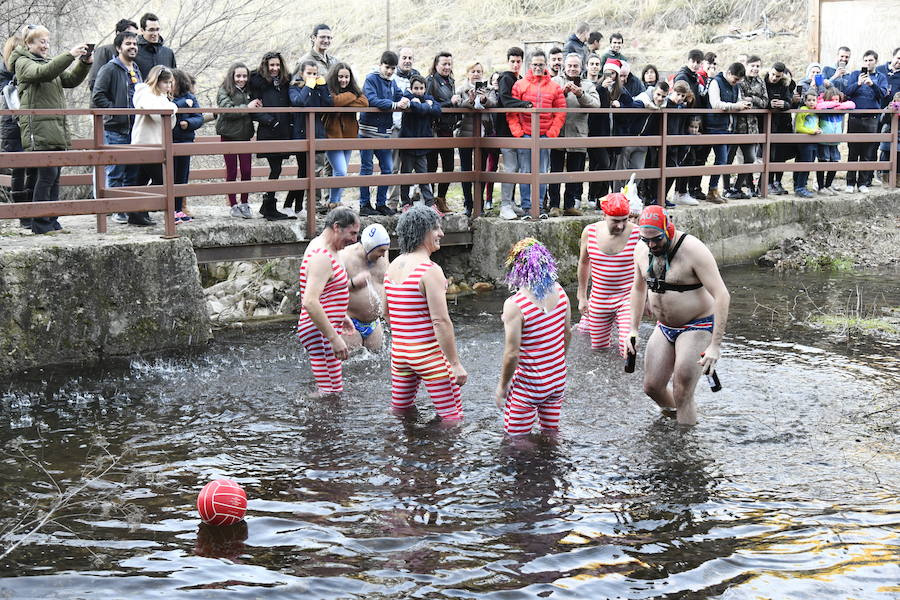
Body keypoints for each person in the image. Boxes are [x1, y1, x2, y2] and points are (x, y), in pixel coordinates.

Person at [627, 205, 731, 426]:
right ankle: (681, 414)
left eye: (657, 239)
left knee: (682, 388)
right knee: (652, 386)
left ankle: (685, 447)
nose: (652, 245)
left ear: (669, 230)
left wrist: (715, 346)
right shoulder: (641, 249)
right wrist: (632, 330)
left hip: (697, 324)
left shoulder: (693, 250)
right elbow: (637, 289)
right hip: (664, 326)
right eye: (646, 240)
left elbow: (722, 295)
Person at [385, 205, 467, 420]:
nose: (441, 233)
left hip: (400, 354)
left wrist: (405, 338)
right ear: (423, 232)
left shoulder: (392, 266)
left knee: (401, 411)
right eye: (436, 228)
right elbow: (441, 321)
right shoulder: (430, 270)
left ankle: (406, 451)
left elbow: (386, 312)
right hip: (428, 356)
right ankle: (441, 454)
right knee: (452, 417)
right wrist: (455, 364)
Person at [10, 25, 91, 234]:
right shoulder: (22, 62)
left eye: (47, 42)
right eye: (41, 42)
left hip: (54, 128)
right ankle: (40, 223)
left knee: (54, 177)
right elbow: (43, 73)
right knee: (47, 175)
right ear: (29, 44)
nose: (46, 46)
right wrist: (69, 55)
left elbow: (70, 80)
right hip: (38, 130)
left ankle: (52, 221)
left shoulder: (48, 62)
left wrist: (83, 63)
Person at [497, 238, 571, 437]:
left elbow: (511, 354)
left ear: (516, 268)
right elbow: (567, 334)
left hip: (528, 386)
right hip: (557, 379)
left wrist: (502, 387)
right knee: (550, 433)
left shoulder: (515, 305)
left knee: (515, 441)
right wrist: (554, 363)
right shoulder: (561, 292)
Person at [297, 207, 360, 397]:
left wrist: (343, 316)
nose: (355, 240)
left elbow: (327, 291)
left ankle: (322, 423)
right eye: (352, 233)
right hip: (319, 332)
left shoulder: (326, 247)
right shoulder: (322, 255)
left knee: (333, 391)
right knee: (329, 393)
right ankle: (314, 423)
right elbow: (310, 301)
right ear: (337, 227)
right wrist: (334, 338)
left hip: (323, 329)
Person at [577, 193, 640, 356]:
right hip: (599, 298)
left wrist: (647, 299)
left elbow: (648, 269)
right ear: (604, 215)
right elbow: (584, 262)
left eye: (625, 220)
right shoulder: (589, 232)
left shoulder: (638, 234)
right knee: (599, 349)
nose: (620, 226)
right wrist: (582, 296)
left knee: (627, 347)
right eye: (615, 221)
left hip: (627, 298)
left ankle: (628, 380)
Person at [92, 30, 142, 225]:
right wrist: (115, 111)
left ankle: (128, 209)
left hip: (135, 128)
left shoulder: (135, 68)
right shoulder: (110, 68)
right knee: (116, 170)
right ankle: (115, 210)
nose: (133, 47)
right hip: (116, 129)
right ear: (119, 47)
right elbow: (98, 96)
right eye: (128, 43)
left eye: (135, 44)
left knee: (132, 171)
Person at [508, 50, 566, 217]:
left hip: (545, 135)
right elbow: (512, 111)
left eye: (541, 64)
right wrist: (518, 133)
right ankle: (526, 206)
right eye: (535, 65)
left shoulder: (554, 87)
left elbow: (560, 111)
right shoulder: (520, 85)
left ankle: (539, 206)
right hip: (525, 133)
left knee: (542, 171)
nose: (538, 67)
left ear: (545, 64)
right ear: (530, 65)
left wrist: (552, 133)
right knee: (526, 171)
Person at [549, 53, 600, 217]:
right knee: (555, 171)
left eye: (575, 66)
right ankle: (554, 205)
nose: (572, 68)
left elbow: (596, 105)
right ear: (564, 66)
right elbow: (548, 101)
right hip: (558, 133)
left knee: (574, 172)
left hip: (578, 133)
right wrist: (562, 94)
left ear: (581, 67)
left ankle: (570, 205)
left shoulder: (588, 84)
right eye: (569, 65)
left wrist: (580, 94)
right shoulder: (555, 81)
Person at [359, 50, 406, 216]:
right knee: (366, 168)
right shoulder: (371, 79)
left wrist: (409, 99)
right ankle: (364, 204)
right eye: (387, 67)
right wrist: (395, 104)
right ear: (381, 65)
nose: (390, 71)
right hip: (368, 131)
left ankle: (381, 203)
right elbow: (371, 100)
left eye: (393, 68)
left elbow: (401, 96)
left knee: (387, 168)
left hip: (384, 132)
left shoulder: (392, 83)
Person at [297, 24, 339, 208]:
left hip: (332, 115)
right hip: (314, 117)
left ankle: (333, 201)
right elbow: (298, 87)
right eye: (322, 37)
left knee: (333, 161)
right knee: (316, 162)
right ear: (313, 37)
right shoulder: (304, 61)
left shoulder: (334, 61)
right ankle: (314, 202)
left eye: (329, 38)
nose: (326, 41)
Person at [131, 66, 180, 223]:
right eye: (165, 82)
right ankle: (140, 210)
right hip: (145, 143)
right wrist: (173, 107)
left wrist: (170, 108)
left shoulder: (161, 97)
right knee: (161, 179)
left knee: (141, 180)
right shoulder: (145, 94)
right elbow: (158, 115)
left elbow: (168, 123)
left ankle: (137, 213)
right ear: (156, 81)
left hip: (157, 143)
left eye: (170, 83)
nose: (168, 86)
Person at [286, 60, 333, 217]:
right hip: (301, 134)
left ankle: (297, 206)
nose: (312, 76)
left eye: (315, 74)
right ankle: (292, 205)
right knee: (303, 172)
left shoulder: (317, 88)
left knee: (311, 172)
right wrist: (309, 85)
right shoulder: (294, 87)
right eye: (309, 74)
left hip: (317, 133)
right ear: (301, 74)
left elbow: (328, 103)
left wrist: (323, 86)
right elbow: (299, 102)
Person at [249, 51, 291, 220]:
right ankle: (269, 206)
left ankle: (267, 205)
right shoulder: (259, 83)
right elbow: (255, 110)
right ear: (266, 66)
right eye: (271, 65)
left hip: (283, 131)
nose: (275, 68)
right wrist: (271, 121)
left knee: (277, 168)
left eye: (277, 65)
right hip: (269, 131)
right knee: (276, 168)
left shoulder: (284, 82)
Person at [216, 62, 260, 218]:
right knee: (232, 170)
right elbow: (226, 110)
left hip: (245, 135)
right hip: (228, 135)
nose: (241, 79)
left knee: (247, 170)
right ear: (232, 76)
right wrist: (246, 108)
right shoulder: (224, 90)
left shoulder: (250, 90)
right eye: (238, 76)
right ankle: (233, 204)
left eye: (244, 76)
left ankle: (245, 203)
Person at [703, 62, 750, 204]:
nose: (736, 83)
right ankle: (712, 190)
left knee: (723, 160)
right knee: (721, 160)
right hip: (715, 126)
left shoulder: (734, 86)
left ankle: (714, 190)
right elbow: (715, 103)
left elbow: (737, 100)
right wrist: (736, 106)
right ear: (729, 73)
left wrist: (744, 103)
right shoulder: (716, 83)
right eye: (735, 79)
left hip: (728, 126)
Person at [1, 28, 34, 229]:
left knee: (32, 167)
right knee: (18, 169)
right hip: (12, 125)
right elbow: (7, 95)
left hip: (28, 123)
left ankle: (30, 211)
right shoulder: (4, 72)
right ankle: (22, 214)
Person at [339, 223, 390, 353]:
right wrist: (353, 283)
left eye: (385, 250)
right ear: (369, 247)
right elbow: (328, 291)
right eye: (381, 251)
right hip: (350, 322)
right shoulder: (344, 257)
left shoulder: (384, 255)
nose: (383, 255)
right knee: (350, 366)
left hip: (374, 324)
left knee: (376, 364)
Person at [323, 62, 367, 209]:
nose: (344, 80)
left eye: (347, 77)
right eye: (340, 76)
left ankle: (335, 202)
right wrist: (351, 95)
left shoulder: (354, 89)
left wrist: (345, 100)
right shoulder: (328, 89)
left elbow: (364, 103)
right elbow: (334, 101)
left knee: (341, 171)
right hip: (332, 135)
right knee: (341, 171)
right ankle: (333, 202)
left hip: (349, 136)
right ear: (335, 77)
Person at [455, 62, 497, 216]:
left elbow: (494, 103)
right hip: (465, 133)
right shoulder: (461, 89)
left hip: (483, 134)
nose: (476, 74)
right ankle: (468, 203)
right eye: (473, 71)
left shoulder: (488, 89)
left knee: (481, 170)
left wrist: (484, 99)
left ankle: (479, 204)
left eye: (479, 71)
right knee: (466, 170)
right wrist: (471, 101)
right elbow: (459, 105)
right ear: (468, 73)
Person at [723, 55, 768, 199]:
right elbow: (740, 100)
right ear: (747, 66)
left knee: (750, 158)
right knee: (728, 158)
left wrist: (752, 99)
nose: (755, 69)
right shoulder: (739, 81)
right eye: (752, 66)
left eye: (757, 66)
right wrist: (749, 101)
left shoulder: (760, 82)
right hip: (736, 126)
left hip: (752, 126)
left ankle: (737, 188)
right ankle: (726, 188)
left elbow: (764, 102)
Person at [496, 46, 532, 220]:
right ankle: (504, 205)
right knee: (510, 167)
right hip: (505, 129)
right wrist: (524, 104)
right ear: (508, 61)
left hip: (518, 128)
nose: (516, 64)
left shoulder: (521, 79)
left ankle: (510, 202)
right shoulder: (506, 78)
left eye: (518, 61)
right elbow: (504, 99)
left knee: (516, 167)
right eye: (513, 61)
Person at [845, 50, 888, 193]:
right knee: (853, 152)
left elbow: (882, 95)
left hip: (872, 120)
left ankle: (863, 183)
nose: (868, 63)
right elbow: (847, 92)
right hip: (855, 118)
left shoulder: (880, 77)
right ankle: (850, 183)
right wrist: (858, 83)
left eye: (870, 60)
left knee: (867, 152)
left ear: (876, 61)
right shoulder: (854, 74)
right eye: (865, 60)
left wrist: (872, 85)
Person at [398, 74, 441, 208]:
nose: (419, 90)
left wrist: (423, 105)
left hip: (422, 146)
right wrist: (424, 106)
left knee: (424, 176)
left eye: (421, 88)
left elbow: (438, 110)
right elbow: (421, 110)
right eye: (416, 88)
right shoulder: (407, 98)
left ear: (425, 89)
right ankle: (405, 202)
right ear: (411, 88)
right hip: (408, 145)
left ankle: (430, 203)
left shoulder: (428, 98)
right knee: (405, 176)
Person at [674, 49, 710, 202]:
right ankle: (680, 192)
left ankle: (681, 192)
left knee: (689, 157)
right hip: (683, 122)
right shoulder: (683, 76)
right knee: (686, 157)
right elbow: (685, 101)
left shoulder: (695, 78)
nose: (695, 65)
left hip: (691, 121)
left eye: (698, 62)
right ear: (688, 61)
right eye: (693, 61)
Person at [426, 51, 459, 214]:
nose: (447, 67)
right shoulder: (430, 81)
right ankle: (430, 201)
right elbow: (430, 104)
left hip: (448, 129)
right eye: (444, 64)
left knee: (449, 167)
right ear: (436, 65)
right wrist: (450, 102)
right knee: (431, 166)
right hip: (434, 129)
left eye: (449, 64)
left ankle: (441, 199)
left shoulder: (451, 81)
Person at [170, 69, 203, 223]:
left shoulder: (191, 98)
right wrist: (183, 104)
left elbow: (199, 117)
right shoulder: (165, 98)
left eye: (172, 81)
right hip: (169, 141)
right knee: (170, 177)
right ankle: (170, 209)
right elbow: (168, 109)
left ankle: (178, 209)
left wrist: (188, 123)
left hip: (185, 140)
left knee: (182, 177)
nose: (170, 84)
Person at [389, 47, 420, 207]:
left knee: (411, 165)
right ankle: (392, 201)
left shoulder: (417, 77)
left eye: (410, 58)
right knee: (394, 165)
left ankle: (407, 200)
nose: (407, 60)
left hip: (412, 127)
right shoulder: (392, 77)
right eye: (404, 57)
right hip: (395, 125)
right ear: (398, 59)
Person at [816, 87, 855, 195]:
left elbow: (851, 105)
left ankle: (828, 185)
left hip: (835, 142)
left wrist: (837, 105)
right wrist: (833, 105)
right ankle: (820, 186)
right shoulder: (824, 111)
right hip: (823, 141)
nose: (835, 102)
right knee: (823, 162)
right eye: (832, 100)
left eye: (837, 100)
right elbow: (819, 106)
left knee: (835, 162)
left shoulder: (840, 111)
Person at [764, 62, 796, 195]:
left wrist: (784, 104)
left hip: (783, 123)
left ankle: (778, 181)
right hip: (769, 124)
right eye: (773, 75)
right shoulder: (762, 82)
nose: (774, 78)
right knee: (770, 154)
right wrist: (769, 104)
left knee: (781, 154)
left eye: (777, 76)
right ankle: (768, 182)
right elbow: (760, 100)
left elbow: (789, 101)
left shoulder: (784, 84)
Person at [87, 18, 137, 90]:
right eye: (128, 33)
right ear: (118, 33)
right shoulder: (104, 51)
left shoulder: (132, 55)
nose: (132, 37)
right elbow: (94, 82)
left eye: (135, 35)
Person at [792, 91, 822, 198]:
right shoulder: (803, 111)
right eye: (809, 100)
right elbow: (799, 127)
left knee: (810, 162)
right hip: (804, 141)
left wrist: (817, 130)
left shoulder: (816, 111)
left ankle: (801, 185)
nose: (811, 102)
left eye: (814, 100)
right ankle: (799, 187)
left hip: (813, 141)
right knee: (805, 163)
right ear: (805, 101)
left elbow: (815, 124)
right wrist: (812, 131)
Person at [134, 13, 176, 79]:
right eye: (151, 30)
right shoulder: (134, 52)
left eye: (157, 29)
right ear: (142, 31)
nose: (155, 33)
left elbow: (174, 78)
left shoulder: (168, 53)